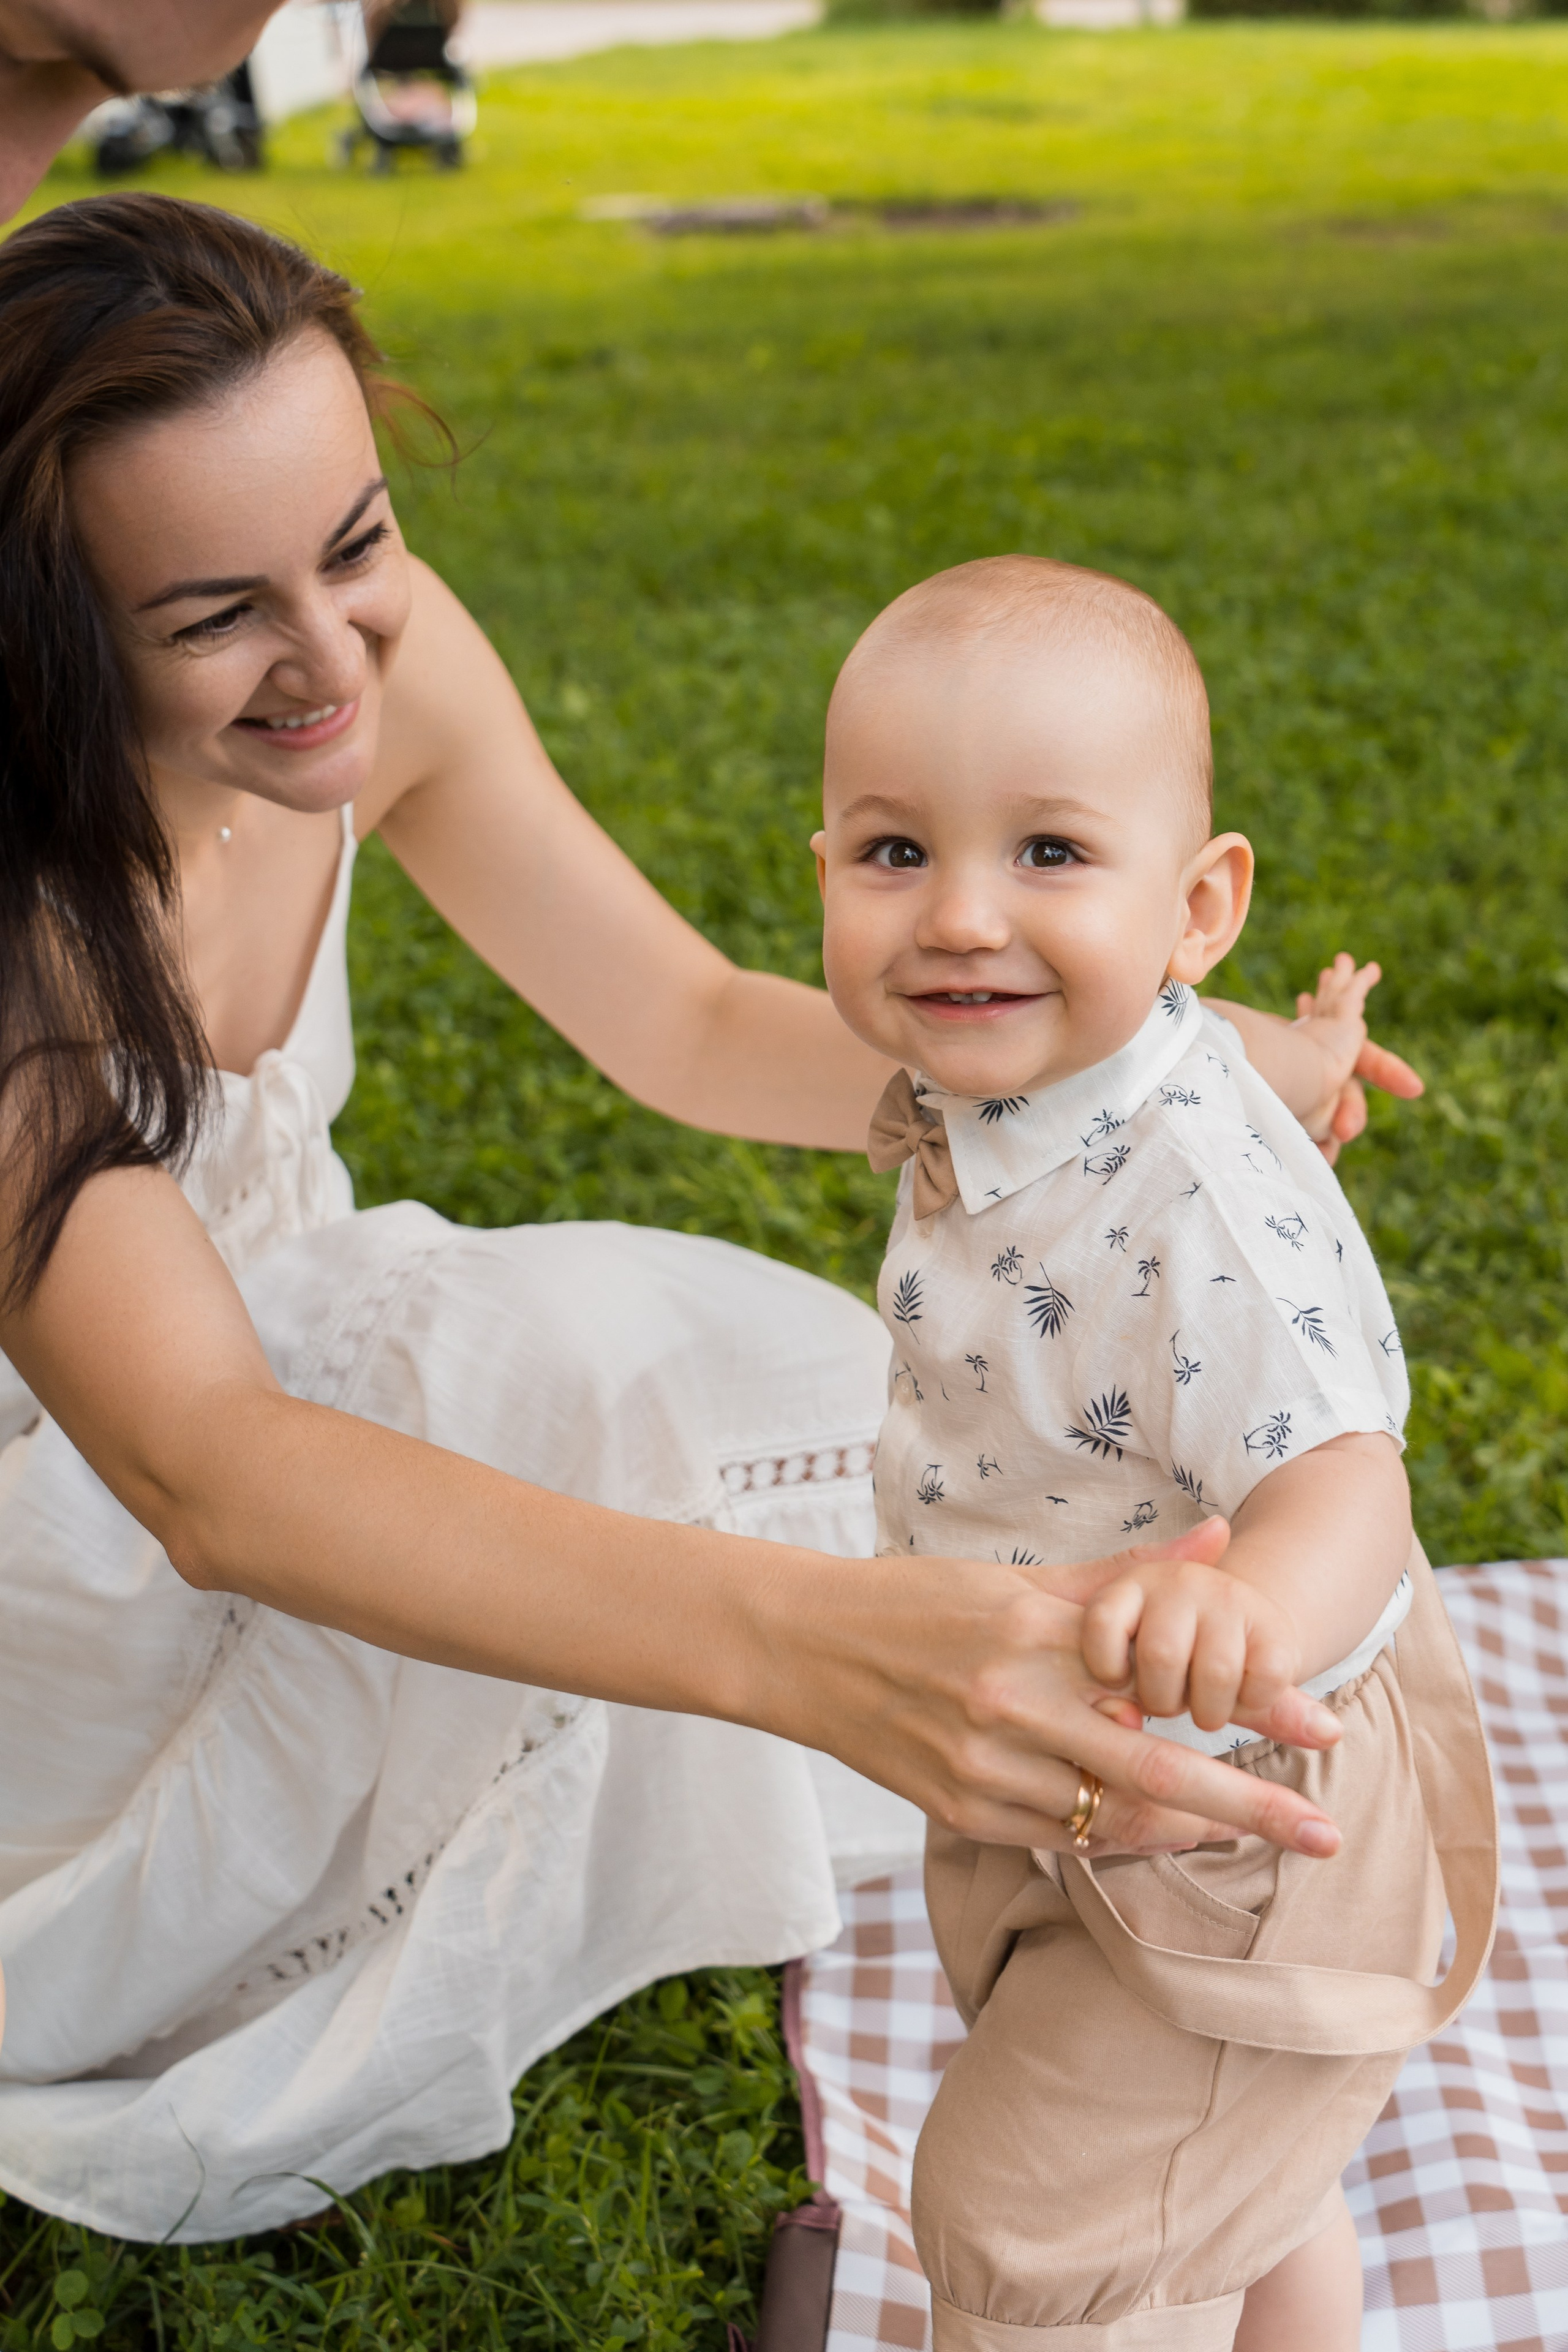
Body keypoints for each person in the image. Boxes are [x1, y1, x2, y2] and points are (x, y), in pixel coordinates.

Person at [0, 193, 1420, 2244]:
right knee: (563, 1357)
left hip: (266, 1365)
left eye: (360, 541)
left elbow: (666, 1016)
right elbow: (206, 1467)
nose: (332, 660)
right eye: (214, 616)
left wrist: (1134, 1076)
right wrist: (816, 1652)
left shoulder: (368, 660)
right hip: (92, 1519)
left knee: (850, 1397)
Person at [812, 555, 1498, 2352]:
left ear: (1198, 904)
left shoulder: (1200, 1219)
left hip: (1240, 1807)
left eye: (1047, 854)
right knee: (1221, 2179)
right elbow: (1215, 1049)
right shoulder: (1054, 1062)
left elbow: (1348, 1478)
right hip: (1076, 1740)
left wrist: (1247, 1613)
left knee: (1036, 2236)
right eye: (895, 852)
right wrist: (1313, 1046)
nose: (959, 915)